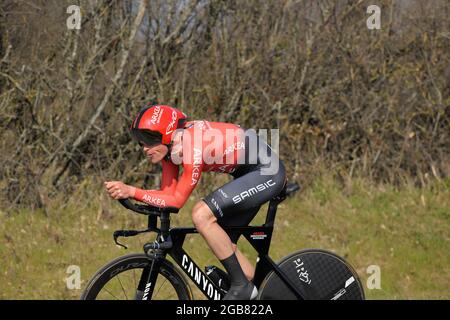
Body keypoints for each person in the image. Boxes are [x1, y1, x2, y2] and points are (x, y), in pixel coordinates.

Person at [105, 105, 286, 300]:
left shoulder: (192, 144)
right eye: (141, 143)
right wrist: (133, 196)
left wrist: (132, 191)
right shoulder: (171, 150)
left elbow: (176, 201)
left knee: (201, 215)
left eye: (149, 141)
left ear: (167, 135)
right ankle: (260, 292)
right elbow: (166, 194)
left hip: (267, 172)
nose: (145, 149)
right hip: (248, 173)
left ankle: (242, 287)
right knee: (224, 240)